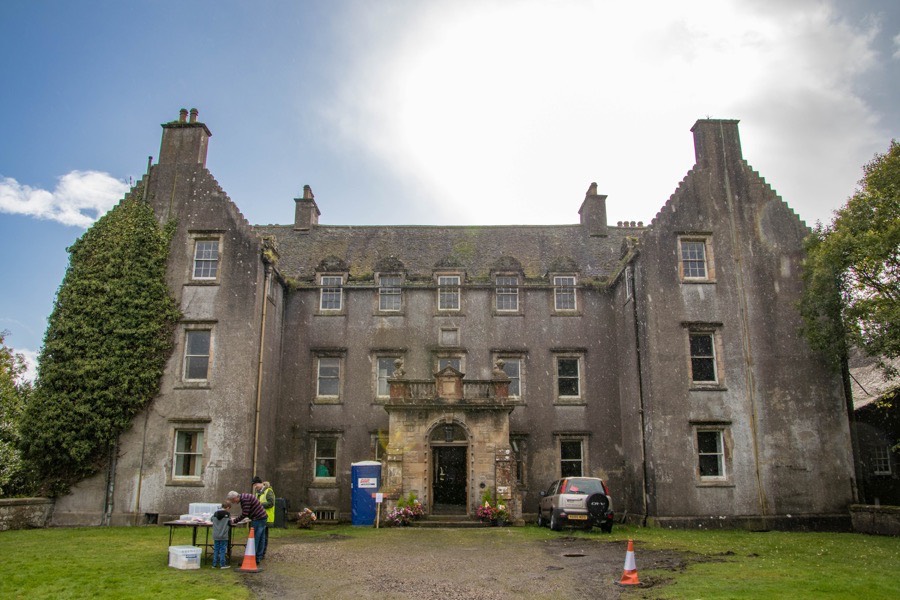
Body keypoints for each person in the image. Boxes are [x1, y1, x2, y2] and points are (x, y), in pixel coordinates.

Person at [226, 489, 267, 564]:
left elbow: (245, 513)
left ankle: (252, 559)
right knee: (261, 538)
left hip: (258, 518)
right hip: (262, 517)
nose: (233, 503)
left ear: (235, 498)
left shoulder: (245, 500)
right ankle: (258, 558)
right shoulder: (245, 496)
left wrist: (234, 521)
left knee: (254, 539)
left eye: (233, 501)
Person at [252, 476, 276, 560]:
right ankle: (260, 552)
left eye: (256, 484)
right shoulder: (258, 493)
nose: (255, 487)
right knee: (261, 536)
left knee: (264, 537)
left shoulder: (268, 491)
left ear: (260, 483)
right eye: (254, 485)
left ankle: (262, 553)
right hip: (259, 517)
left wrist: (259, 504)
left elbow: (271, 503)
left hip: (267, 517)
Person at [210, 501, 234, 569]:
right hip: (223, 535)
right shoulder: (227, 514)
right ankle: (222, 564)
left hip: (216, 534)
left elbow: (211, 519)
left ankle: (214, 564)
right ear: (228, 507)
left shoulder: (215, 513)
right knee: (223, 550)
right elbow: (230, 522)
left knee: (216, 549)